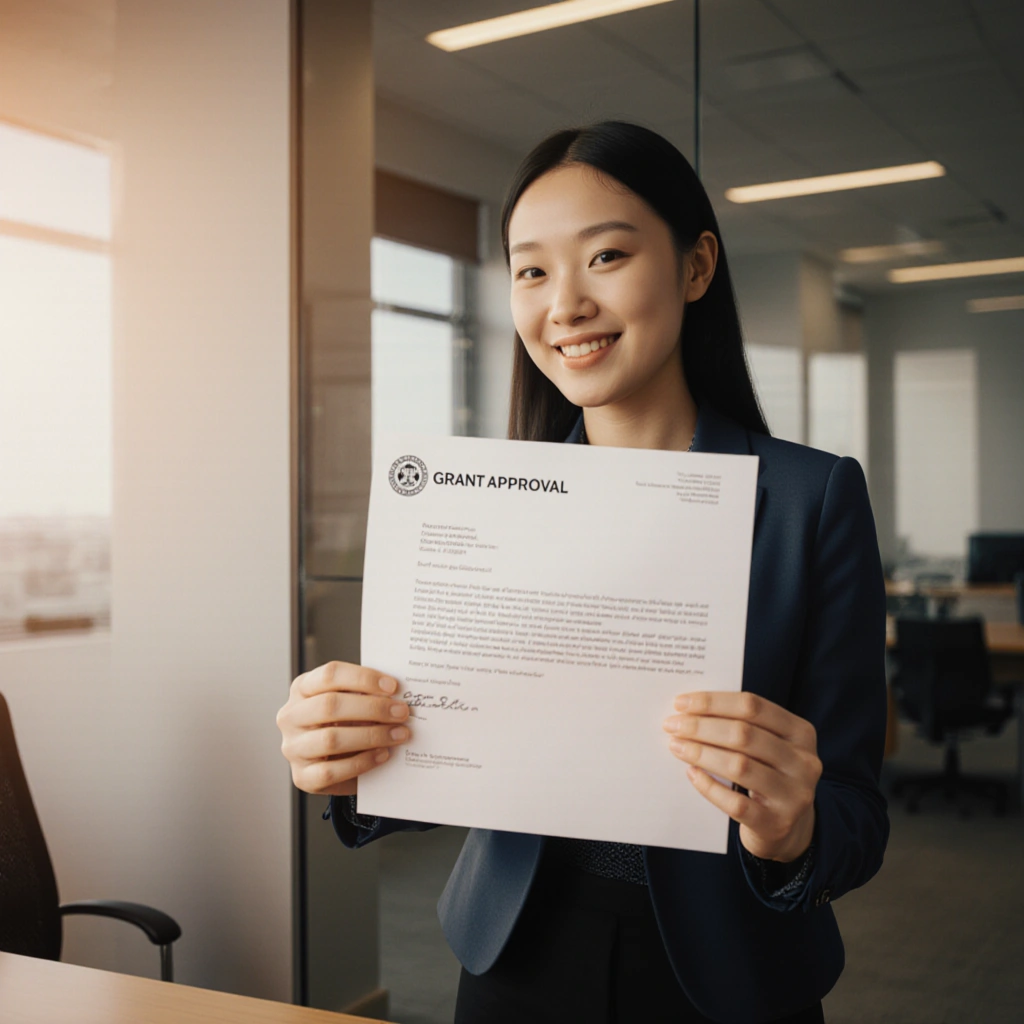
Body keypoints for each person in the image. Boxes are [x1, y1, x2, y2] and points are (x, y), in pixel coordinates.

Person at [276, 121, 888, 1024]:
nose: (564, 304)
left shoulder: (810, 498)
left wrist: (796, 828)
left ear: (695, 266)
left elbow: (858, 815)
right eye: (531, 271)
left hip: (731, 972)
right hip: (514, 956)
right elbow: (453, 749)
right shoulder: (485, 503)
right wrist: (350, 754)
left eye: (605, 256)